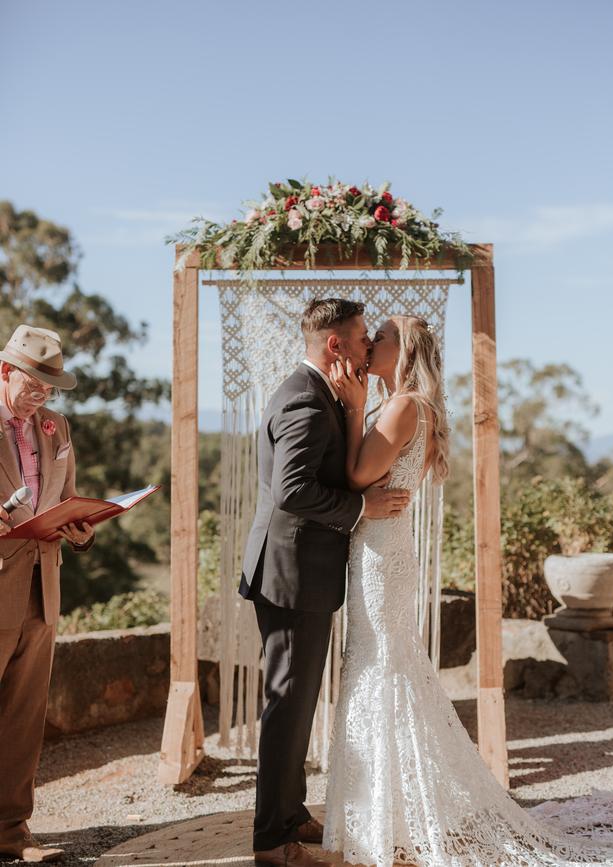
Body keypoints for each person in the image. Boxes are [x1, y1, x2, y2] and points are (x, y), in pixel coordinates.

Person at [323, 314, 613, 867]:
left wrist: (353, 407)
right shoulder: (402, 404)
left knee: (379, 668)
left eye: (379, 337)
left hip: (381, 556)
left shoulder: (401, 406)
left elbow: (358, 477)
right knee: (383, 666)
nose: (369, 344)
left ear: (402, 351)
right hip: (381, 548)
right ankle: (390, 812)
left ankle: (388, 816)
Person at [239, 299, 411, 867]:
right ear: (335, 345)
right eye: (362, 338)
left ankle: (290, 814)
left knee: (297, 698)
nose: (367, 347)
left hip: (301, 568)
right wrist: (361, 506)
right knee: (287, 703)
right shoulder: (308, 401)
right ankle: (272, 841)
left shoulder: (318, 392)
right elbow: (290, 490)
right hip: (291, 573)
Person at [0, 325, 95, 863]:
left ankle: (12, 833)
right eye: (33, 382)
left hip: (43, 587)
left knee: (22, 716)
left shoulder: (57, 427)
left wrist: (82, 525)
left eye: (49, 385)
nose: (41, 394)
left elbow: (68, 495)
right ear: (5, 371)